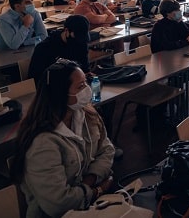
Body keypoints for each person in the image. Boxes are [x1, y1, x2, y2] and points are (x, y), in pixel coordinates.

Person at [10, 59, 115, 218]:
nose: (87, 89)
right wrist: (97, 190)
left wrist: (91, 178)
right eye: (80, 86)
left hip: (93, 206)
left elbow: (107, 149)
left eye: (85, 83)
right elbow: (59, 205)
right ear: (60, 94)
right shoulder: (43, 143)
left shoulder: (86, 114)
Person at [29, 15, 91, 83]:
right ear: (66, 30)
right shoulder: (44, 48)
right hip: (53, 85)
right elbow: (37, 78)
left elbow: (85, 68)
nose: (79, 42)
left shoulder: (81, 43)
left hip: (76, 83)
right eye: (77, 36)